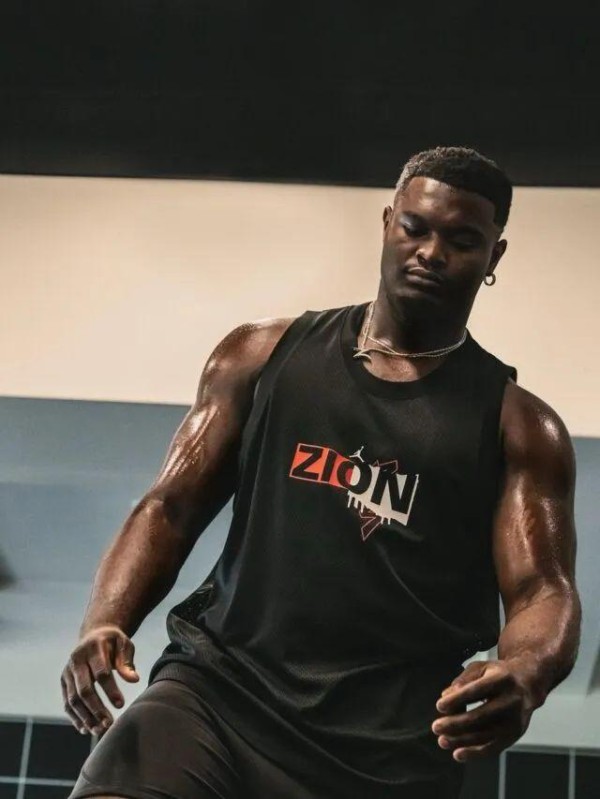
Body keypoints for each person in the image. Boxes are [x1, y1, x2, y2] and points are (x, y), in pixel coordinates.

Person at [62, 146, 581, 799]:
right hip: (219, 693)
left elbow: (542, 589)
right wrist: (104, 621)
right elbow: (170, 505)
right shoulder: (259, 355)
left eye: (462, 240)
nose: (430, 252)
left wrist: (527, 671)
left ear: (494, 257)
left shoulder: (520, 427)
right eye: (415, 228)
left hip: (384, 755)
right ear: (388, 223)